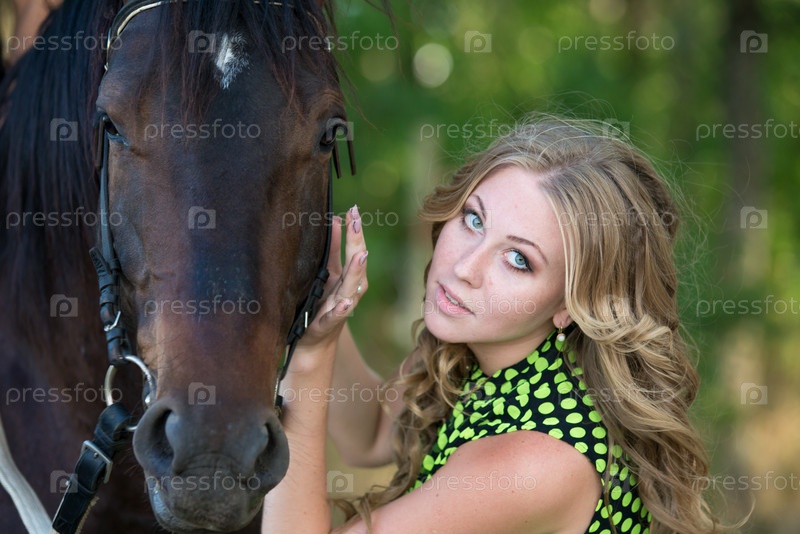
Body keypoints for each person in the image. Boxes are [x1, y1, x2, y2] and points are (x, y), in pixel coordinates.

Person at [262, 117, 727, 534]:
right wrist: (320, 304)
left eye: (518, 259)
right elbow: (369, 437)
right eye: (473, 219)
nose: (465, 267)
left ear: (571, 306)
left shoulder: (537, 461)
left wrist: (310, 357)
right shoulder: (479, 354)